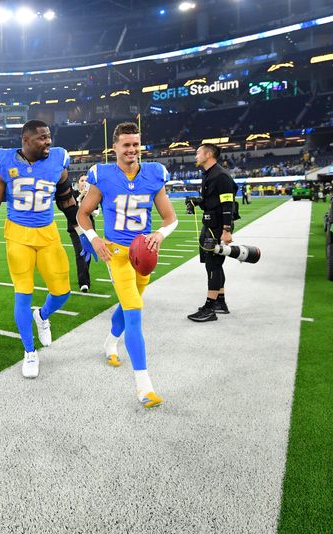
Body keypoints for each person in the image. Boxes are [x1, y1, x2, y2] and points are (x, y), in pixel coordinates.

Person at [0, 119, 76, 379]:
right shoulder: (4, 161)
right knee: (22, 295)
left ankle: (43, 315)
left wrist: (83, 232)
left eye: (49, 137)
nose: (49, 142)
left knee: (62, 292)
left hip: (48, 235)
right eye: (42, 138)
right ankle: (29, 351)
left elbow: (66, 198)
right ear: (25, 140)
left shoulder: (59, 159)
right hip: (17, 236)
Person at [76, 121, 178, 408]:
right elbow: (82, 215)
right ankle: (144, 386)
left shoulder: (154, 174)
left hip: (143, 253)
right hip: (117, 254)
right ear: (115, 148)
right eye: (126, 145)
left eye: (136, 144)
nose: (132, 149)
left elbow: (171, 218)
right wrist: (94, 239)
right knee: (134, 311)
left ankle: (110, 341)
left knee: (127, 303)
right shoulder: (103, 175)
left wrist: (159, 233)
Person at [187, 143, 238, 322]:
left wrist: (226, 230)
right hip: (210, 223)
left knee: (213, 265)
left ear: (208, 154)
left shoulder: (221, 175)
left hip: (218, 226)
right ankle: (220, 302)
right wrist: (197, 202)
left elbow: (227, 205)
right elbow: (212, 200)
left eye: (198, 153)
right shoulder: (208, 174)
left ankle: (210, 308)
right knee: (214, 264)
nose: (196, 156)